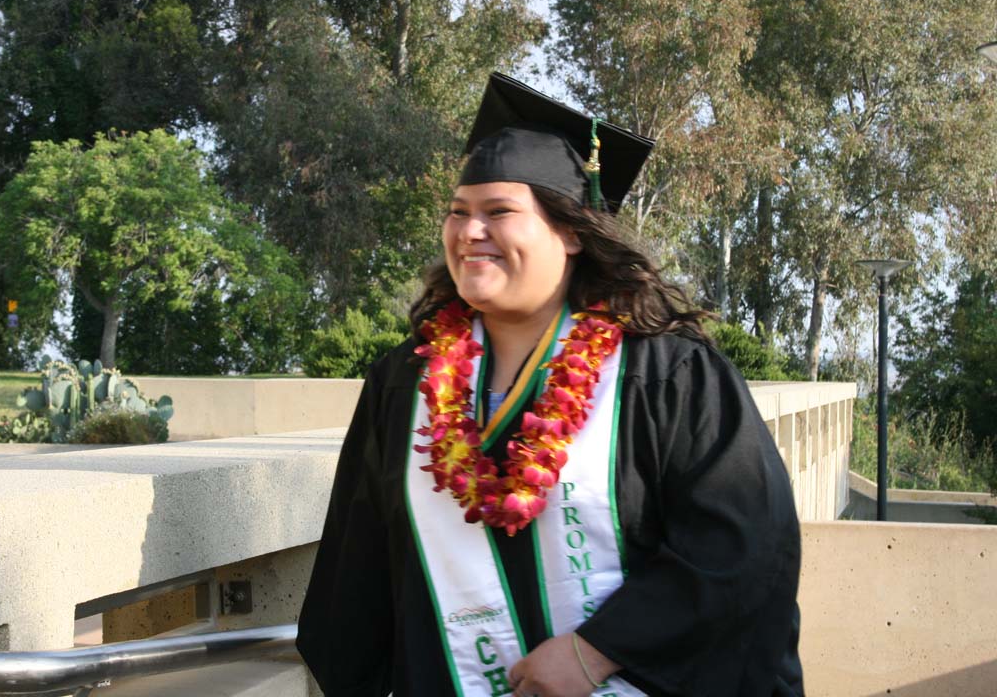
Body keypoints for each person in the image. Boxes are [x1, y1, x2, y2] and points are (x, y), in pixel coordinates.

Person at [297, 73, 803, 697]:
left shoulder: (664, 376)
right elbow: (356, 572)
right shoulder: (405, 385)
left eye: (499, 213)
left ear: (570, 232)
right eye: (458, 214)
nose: (469, 232)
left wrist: (597, 652)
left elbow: (742, 551)